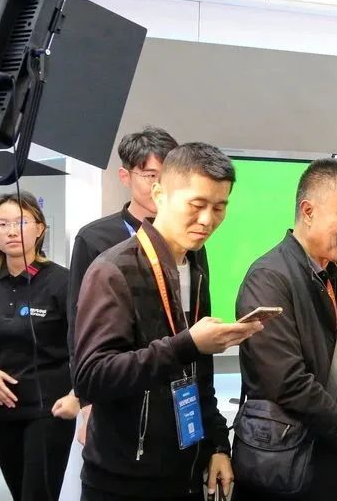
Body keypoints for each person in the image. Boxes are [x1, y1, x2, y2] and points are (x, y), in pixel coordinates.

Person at [74, 143, 262, 501]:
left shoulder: (196, 263)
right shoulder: (114, 270)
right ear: (160, 194)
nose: (207, 220)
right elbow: (92, 377)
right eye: (196, 205)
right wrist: (186, 345)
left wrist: (217, 443)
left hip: (184, 471)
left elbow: (198, 372)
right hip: (123, 479)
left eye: (219, 207)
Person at [234, 158, 337, 501]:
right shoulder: (269, 278)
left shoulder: (334, 278)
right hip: (295, 469)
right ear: (308, 211)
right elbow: (286, 381)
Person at [60, 126, 179, 501]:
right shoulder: (95, 238)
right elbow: (78, 326)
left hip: (172, 389)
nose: (159, 186)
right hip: (115, 387)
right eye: (150, 175)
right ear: (125, 176)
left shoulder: (186, 239)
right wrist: (86, 402)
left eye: (167, 176)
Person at [0, 192, 78, 501]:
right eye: (2, 224)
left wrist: (77, 394)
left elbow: (83, 342)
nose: (12, 231)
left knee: (37, 495)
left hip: (49, 408)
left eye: (21, 222)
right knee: (19, 491)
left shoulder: (62, 281)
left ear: (40, 228)